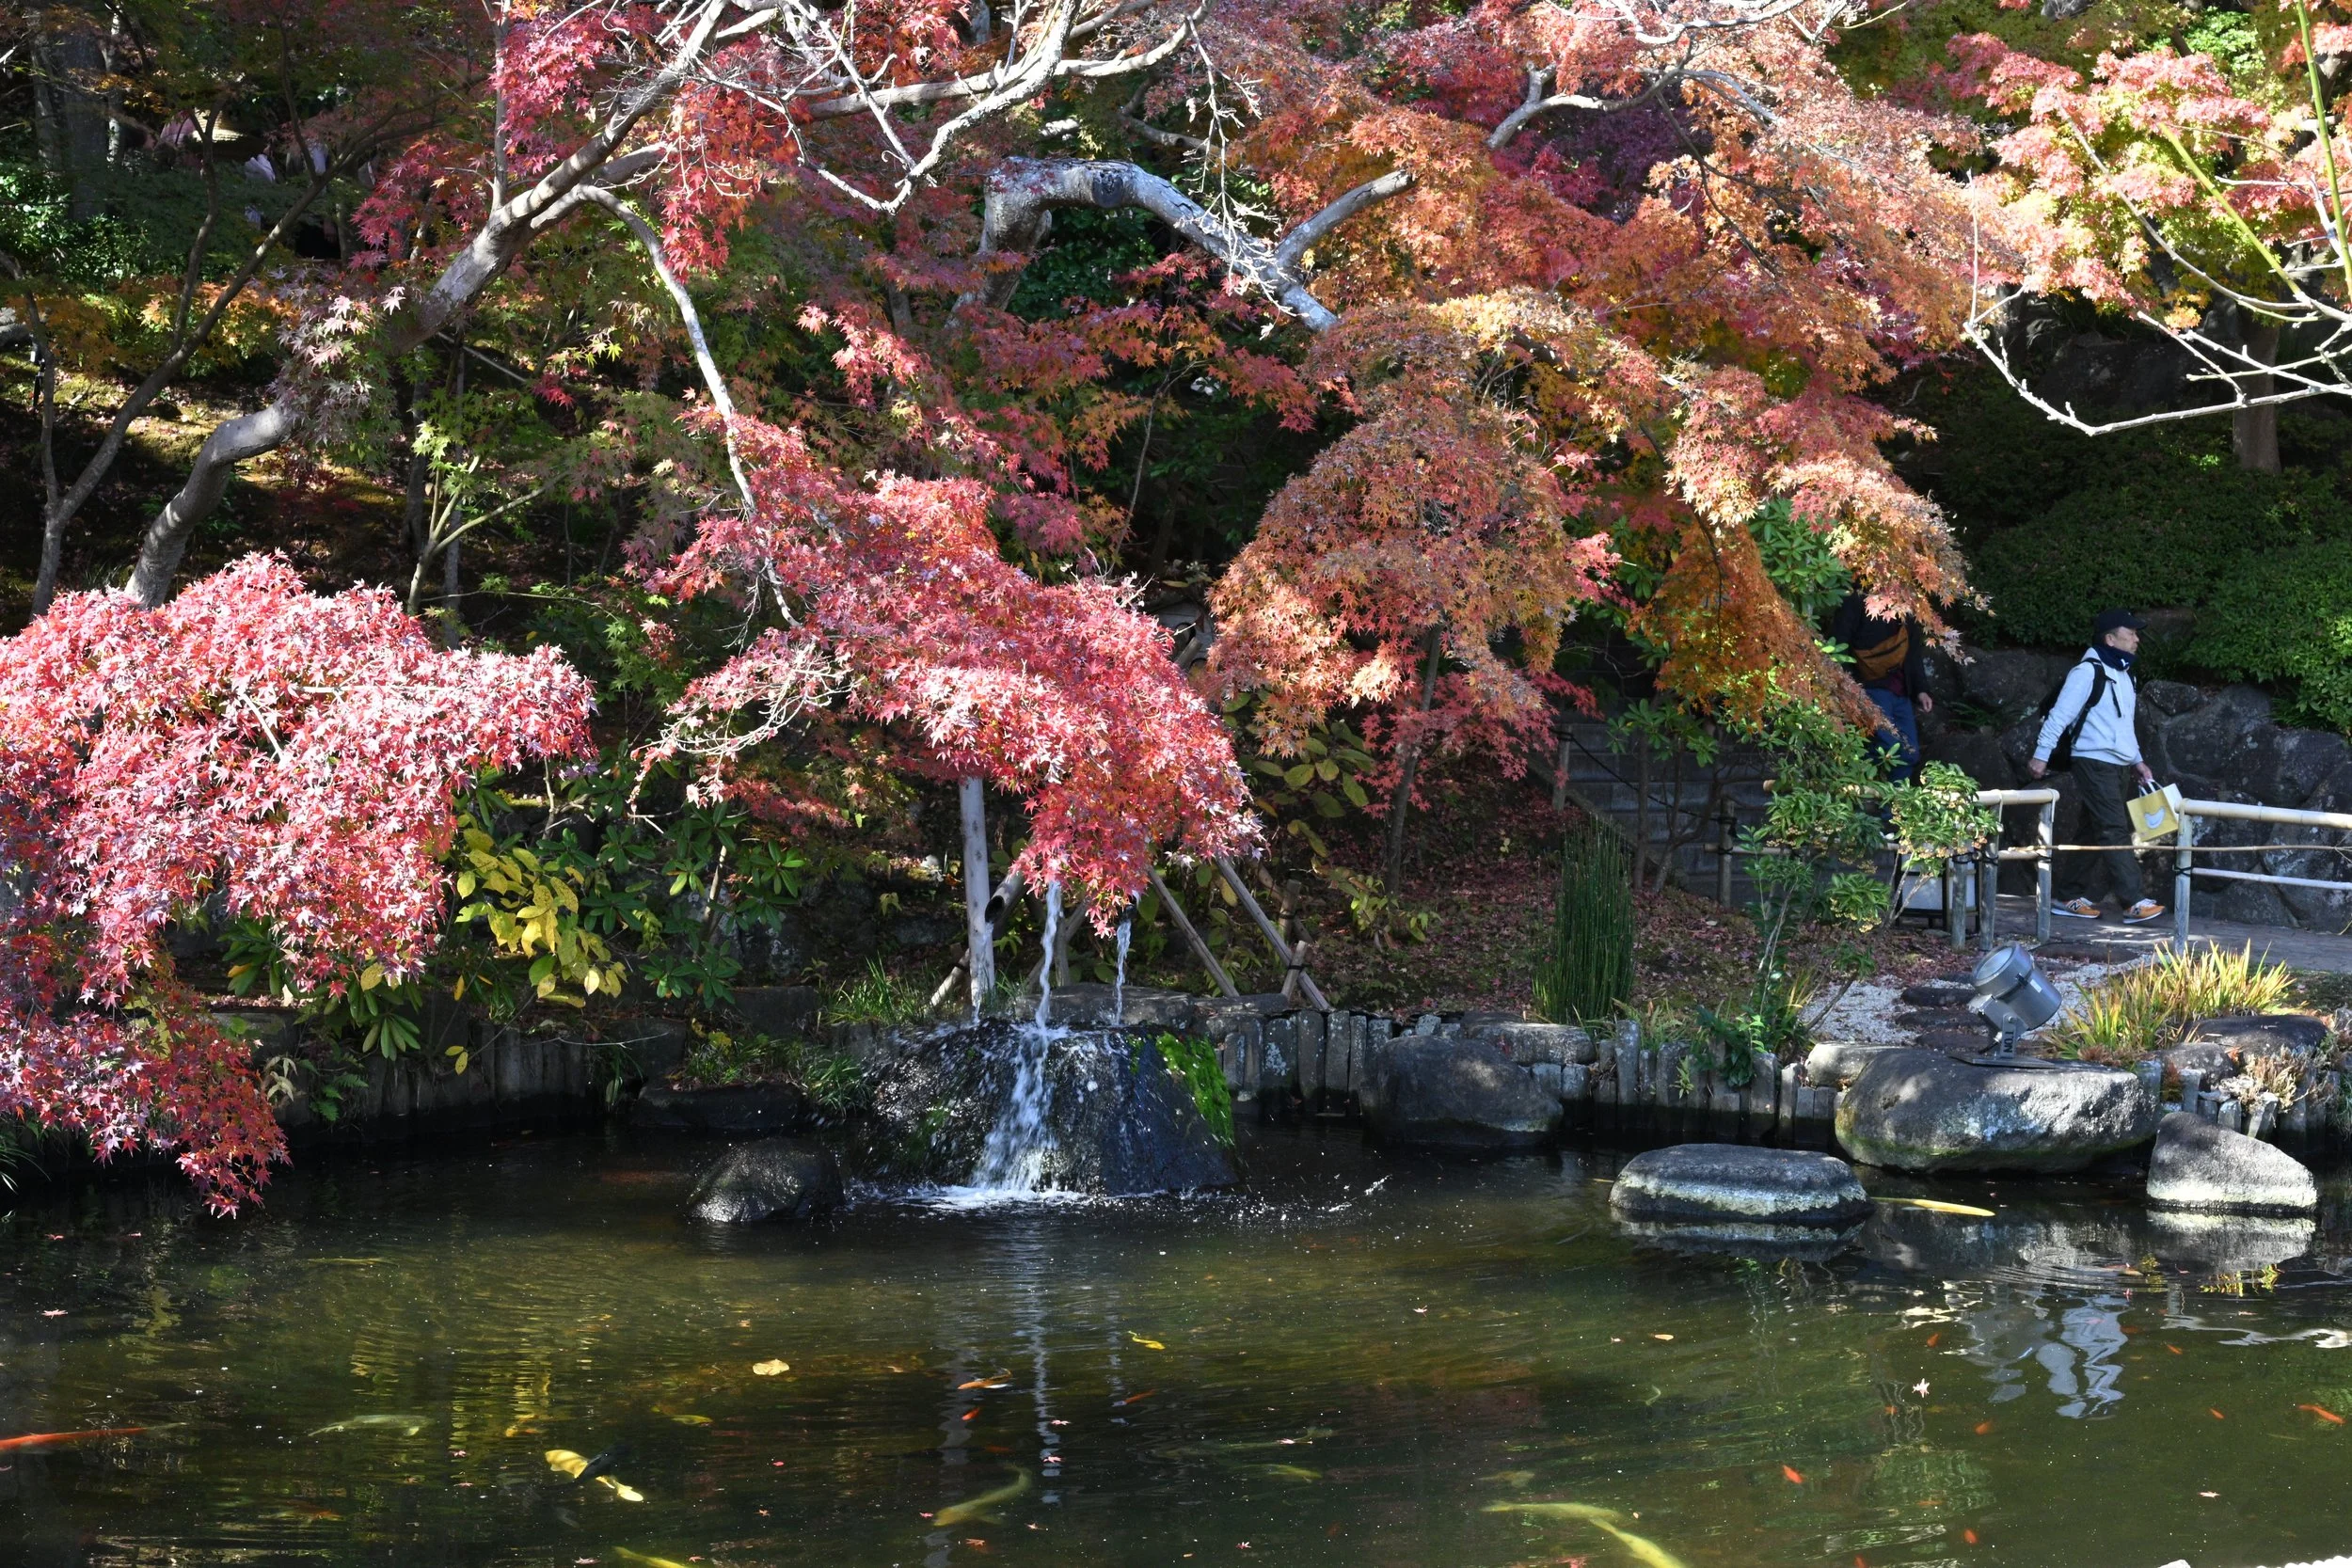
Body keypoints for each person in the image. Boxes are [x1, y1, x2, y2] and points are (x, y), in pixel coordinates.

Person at [2028, 610, 2165, 924]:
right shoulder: (2086, 672)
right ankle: (2133, 901)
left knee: (2092, 828)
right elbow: (2059, 716)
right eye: (2131, 633)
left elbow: (2123, 726)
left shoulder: (2125, 674)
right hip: (2093, 761)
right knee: (2113, 828)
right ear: (2110, 639)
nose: (2137, 639)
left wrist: (2137, 761)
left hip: (2117, 764)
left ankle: (2067, 895)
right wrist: (2041, 754)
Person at [1830, 591, 1932, 784]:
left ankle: (1897, 801)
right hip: (1869, 687)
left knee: (1909, 753)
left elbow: (1912, 652)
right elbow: (1838, 642)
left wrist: (1921, 690)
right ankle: (1868, 794)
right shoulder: (1858, 599)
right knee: (1887, 747)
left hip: (1901, 690)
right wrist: (1848, 684)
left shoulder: (1908, 602)